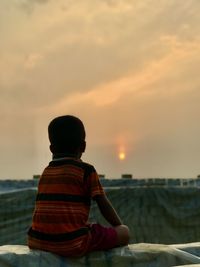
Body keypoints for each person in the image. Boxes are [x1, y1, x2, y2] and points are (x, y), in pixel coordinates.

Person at [28, 115, 130, 257]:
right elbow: (102, 202)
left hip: (37, 241)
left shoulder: (46, 172)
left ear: (51, 148)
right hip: (72, 243)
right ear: (83, 146)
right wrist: (118, 226)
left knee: (86, 226)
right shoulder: (86, 170)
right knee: (124, 232)